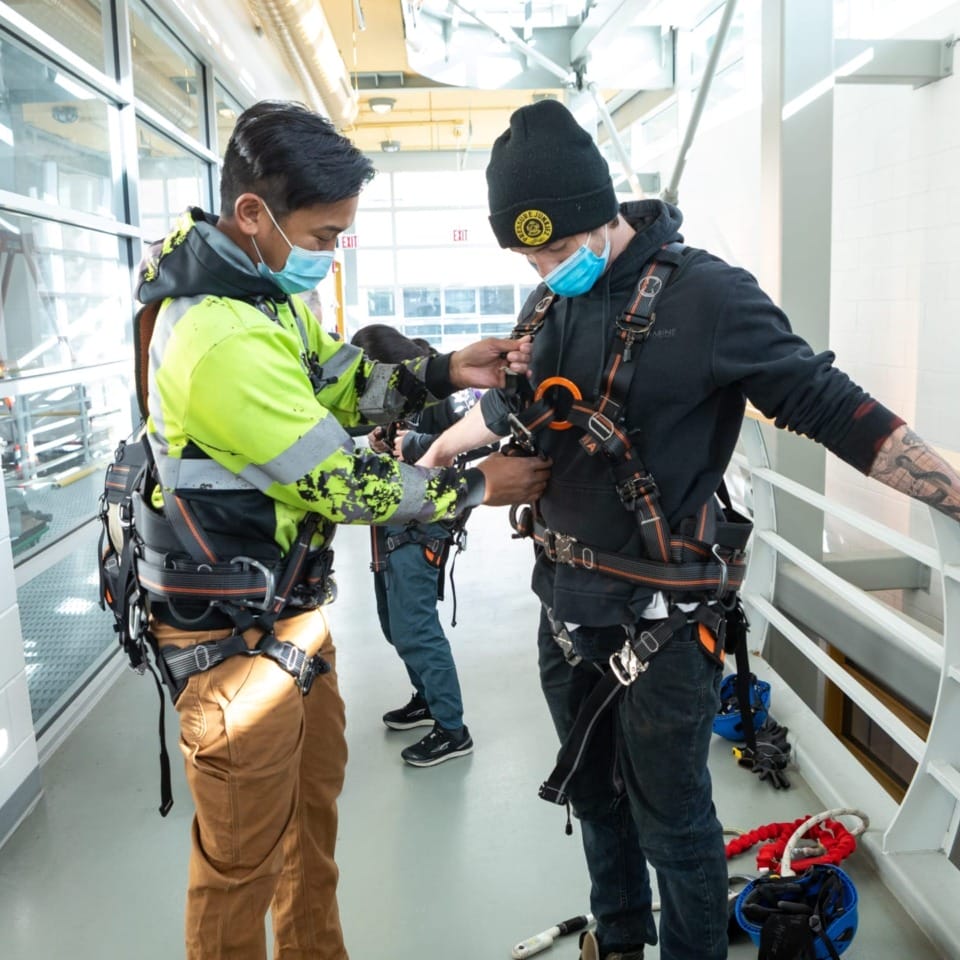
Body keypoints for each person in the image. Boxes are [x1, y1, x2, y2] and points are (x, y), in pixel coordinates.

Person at [417, 99, 960, 960]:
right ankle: (622, 941)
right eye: (527, 253)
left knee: (674, 822)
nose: (543, 266)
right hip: (562, 605)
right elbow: (509, 407)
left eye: (555, 249)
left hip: (661, 627)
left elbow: (829, 404)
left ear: (602, 213)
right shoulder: (549, 306)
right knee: (592, 797)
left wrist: (951, 490)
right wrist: (430, 465)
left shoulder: (708, 296)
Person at [132, 100, 549, 960]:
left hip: (288, 617)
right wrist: (474, 485)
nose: (329, 255)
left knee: (309, 822)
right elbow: (341, 480)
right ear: (254, 215)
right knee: (240, 861)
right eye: (322, 237)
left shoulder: (258, 301)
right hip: (230, 644)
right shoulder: (216, 338)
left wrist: (440, 369)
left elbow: (333, 379)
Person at [351, 324, 483, 766]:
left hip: (424, 525)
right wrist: (379, 445)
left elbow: (479, 450)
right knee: (394, 626)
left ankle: (452, 728)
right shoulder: (392, 399)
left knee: (416, 629)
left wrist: (419, 444)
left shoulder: (443, 399)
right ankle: (427, 698)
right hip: (390, 520)